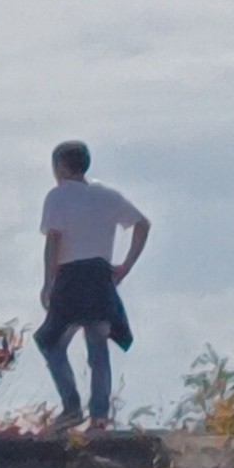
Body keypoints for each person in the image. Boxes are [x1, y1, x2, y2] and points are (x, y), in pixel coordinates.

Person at [33, 142, 150, 431]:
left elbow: (54, 241)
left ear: (60, 166)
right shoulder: (106, 195)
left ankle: (72, 406)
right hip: (100, 276)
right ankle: (99, 414)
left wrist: (48, 281)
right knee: (97, 346)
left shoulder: (58, 196)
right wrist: (125, 266)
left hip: (72, 276)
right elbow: (142, 224)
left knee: (49, 340)